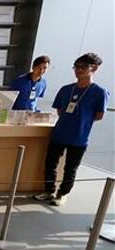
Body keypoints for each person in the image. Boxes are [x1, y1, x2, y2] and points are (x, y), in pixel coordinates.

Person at [34, 53, 109, 206]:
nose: (78, 70)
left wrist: (82, 120)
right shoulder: (66, 89)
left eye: (83, 67)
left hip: (79, 137)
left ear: (94, 68)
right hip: (59, 133)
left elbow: (99, 115)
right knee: (50, 164)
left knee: (71, 168)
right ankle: (49, 190)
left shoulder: (99, 92)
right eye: (76, 67)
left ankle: (62, 194)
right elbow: (60, 110)